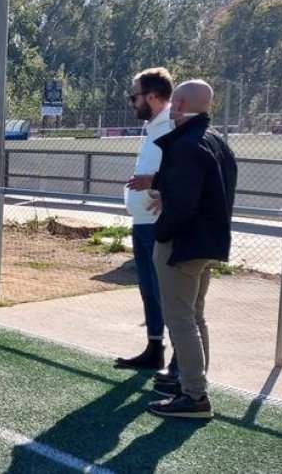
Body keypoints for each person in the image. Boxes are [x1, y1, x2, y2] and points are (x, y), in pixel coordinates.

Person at [139, 80, 237, 419]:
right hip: (208, 242)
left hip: (185, 244)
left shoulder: (188, 144)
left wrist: (163, 232)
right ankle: (191, 382)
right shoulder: (216, 141)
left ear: (179, 104)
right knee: (194, 316)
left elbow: (184, 202)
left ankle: (194, 393)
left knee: (180, 319)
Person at [115, 68, 174, 371]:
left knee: (165, 291)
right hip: (141, 221)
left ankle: (180, 359)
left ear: (151, 96)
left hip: (157, 224)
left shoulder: (173, 126)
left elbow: (185, 171)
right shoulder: (152, 128)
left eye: (134, 96)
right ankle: (154, 346)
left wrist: (158, 184)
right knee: (148, 289)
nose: (131, 102)